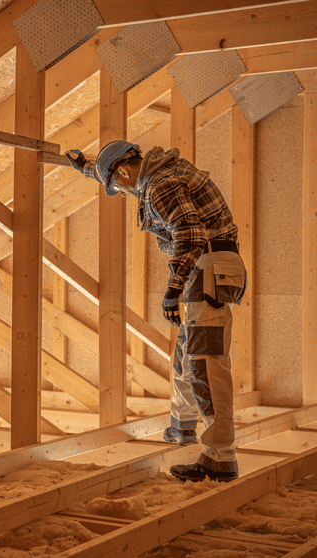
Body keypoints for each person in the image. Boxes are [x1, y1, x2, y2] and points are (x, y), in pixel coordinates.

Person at [66, 141, 247, 482]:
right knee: (186, 357)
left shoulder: (160, 185)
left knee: (206, 365)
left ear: (123, 171)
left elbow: (190, 235)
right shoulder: (160, 175)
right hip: (209, 268)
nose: (120, 193)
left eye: (115, 186)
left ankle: (220, 458)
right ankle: (182, 428)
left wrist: (172, 289)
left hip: (206, 268)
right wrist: (87, 167)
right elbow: (139, 192)